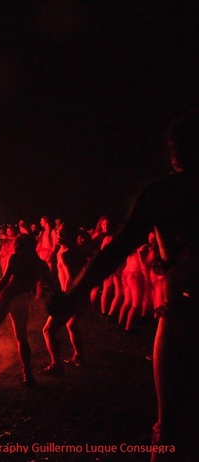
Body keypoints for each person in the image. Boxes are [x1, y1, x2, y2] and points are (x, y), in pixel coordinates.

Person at [48, 113, 199, 461]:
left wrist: (74, 295)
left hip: (182, 319)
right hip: (180, 312)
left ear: (176, 152)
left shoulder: (164, 192)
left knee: (171, 428)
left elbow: (116, 250)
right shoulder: (164, 193)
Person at [0, 233, 55, 385]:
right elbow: (53, 286)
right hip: (21, 300)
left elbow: (4, 280)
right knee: (21, 338)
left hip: (5, 298)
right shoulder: (41, 264)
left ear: (19, 245)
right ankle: (27, 374)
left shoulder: (16, 258)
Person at [41, 222, 88, 374]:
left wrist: (63, 299)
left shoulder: (67, 254)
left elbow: (70, 278)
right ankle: (79, 357)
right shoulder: (71, 250)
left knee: (48, 330)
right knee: (72, 326)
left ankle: (56, 365)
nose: (59, 235)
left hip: (71, 297)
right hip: (80, 296)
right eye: (58, 232)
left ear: (71, 236)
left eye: (63, 233)